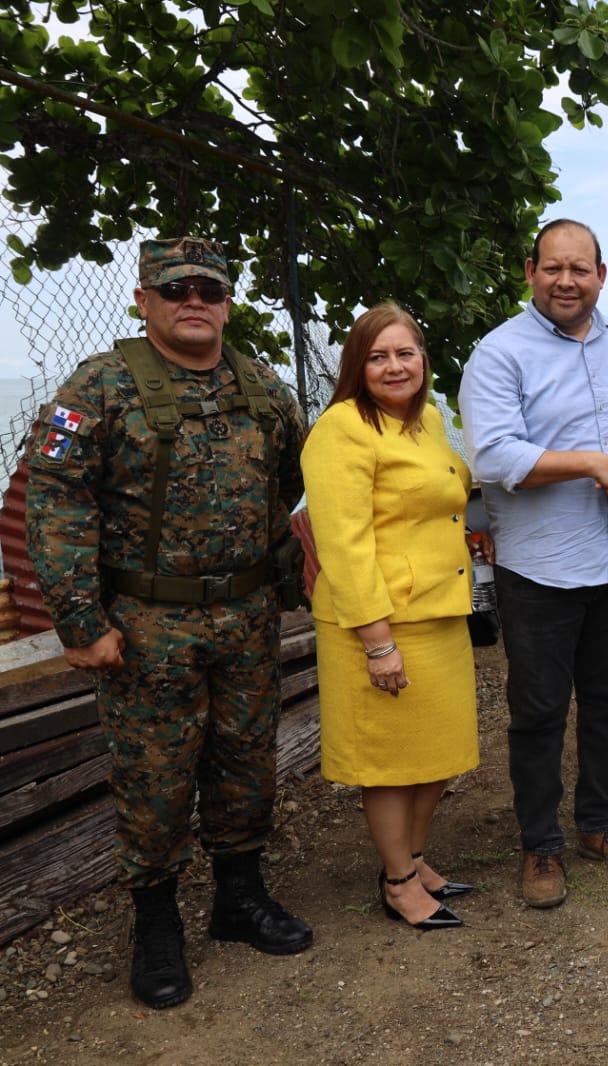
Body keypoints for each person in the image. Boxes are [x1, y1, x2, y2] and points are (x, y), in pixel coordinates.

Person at [24, 237, 311, 1009]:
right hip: (147, 622)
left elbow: (293, 483)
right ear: (144, 300)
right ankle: (156, 927)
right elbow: (55, 501)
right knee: (154, 778)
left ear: (226, 304)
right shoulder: (100, 386)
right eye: (177, 288)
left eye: (208, 290)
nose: (194, 301)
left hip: (247, 615)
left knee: (246, 761)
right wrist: (80, 620)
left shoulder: (263, 386)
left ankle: (239, 899)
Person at [459, 219, 608, 910]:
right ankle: (540, 844)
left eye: (580, 269)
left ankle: (600, 825)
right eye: (553, 268)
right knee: (539, 712)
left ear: (601, 275)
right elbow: (494, 456)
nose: (567, 281)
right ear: (530, 272)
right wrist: (591, 463)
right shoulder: (499, 353)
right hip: (540, 570)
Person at [302, 302, 480, 931]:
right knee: (390, 763)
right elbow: (344, 545)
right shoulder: (342, 429)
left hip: (440, 613)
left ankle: (415, 858)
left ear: (423, 360)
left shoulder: (426, 419)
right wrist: (378, 644)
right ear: (358, 365)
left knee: (438, 753)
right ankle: (398, 882)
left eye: (406, 353)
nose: (394, 366)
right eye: (378, 356)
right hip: (380, 623)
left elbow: (442, 497)